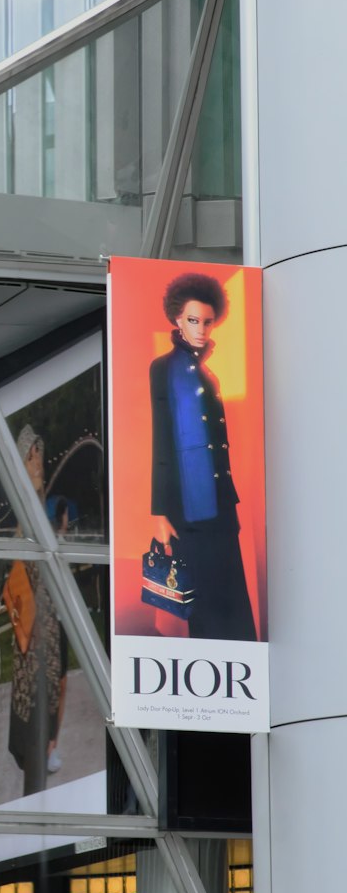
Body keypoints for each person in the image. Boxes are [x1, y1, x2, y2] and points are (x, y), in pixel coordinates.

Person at [149, 273, 256, 640]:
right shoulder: (164, 368)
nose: (201, 329)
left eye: (207, 322)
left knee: (232, 599)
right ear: (177, 318)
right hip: (189, 509)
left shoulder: (207, 372)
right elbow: (162, 438)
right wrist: (159, 511)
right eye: (193, 320)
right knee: (207, 605)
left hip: (222, 506)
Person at [7, 426, 64, 796]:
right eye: (31, 456)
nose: (39, 462)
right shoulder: (23, 522)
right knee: (35, 716)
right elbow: (19, 580)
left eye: (40, 454)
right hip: (34, 639)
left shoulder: (39, 517)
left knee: (54, 695)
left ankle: (47, 751)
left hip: (48, 631)